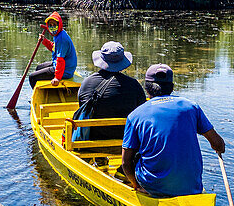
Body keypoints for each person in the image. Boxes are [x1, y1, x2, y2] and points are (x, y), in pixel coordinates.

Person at [121, 64, 225, 197]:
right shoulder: (192, 107)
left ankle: (146, 188)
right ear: (172, 87)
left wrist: (136, 185)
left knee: (136, 156)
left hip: (152, 186)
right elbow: (218, 144)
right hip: (191, 185)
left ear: (147, 88)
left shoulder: (135, 115)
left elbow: (125, 162)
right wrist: (219, 148)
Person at [75, 41, 146, 141]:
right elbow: (142, 112)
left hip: (93, 140)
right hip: (126, 141)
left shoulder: (87, 83)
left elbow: (82, 107)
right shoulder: (134, 85)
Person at [28, 12, 77, 88]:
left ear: (59, 24)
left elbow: (60, 60)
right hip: (62, 66)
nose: (52, 27)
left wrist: (57, 78)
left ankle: (38, 96)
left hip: (65, 70)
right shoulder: (58, 34)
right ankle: (43, 90)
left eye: (54, 25)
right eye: (50, 25)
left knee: (32, 77)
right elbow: (55, 49)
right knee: (39, 67)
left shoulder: (61, 38)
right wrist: (44, 41)